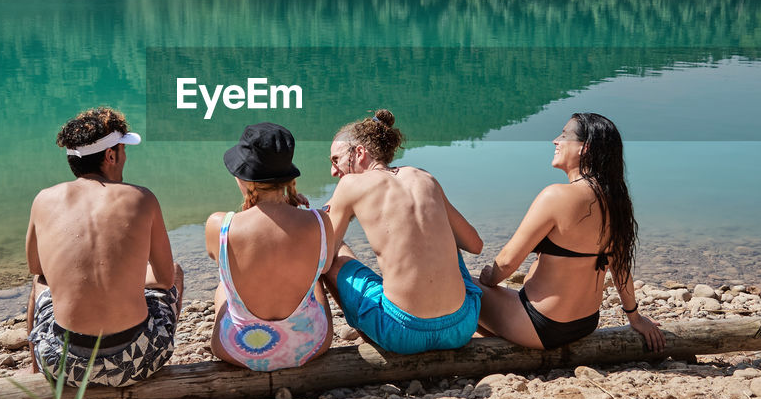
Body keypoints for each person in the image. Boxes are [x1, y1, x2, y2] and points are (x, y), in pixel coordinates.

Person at [477, 113, 664, 352]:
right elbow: (620, 267)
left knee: (461, 284)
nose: (555, 141)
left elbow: (506, 262)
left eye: (564, 136)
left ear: (584, 148)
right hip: (584, 324)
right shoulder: (615, 202)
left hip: (540, 324)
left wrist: (488, 279)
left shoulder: (556, 196)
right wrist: (634, 318)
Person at [26, 106, 183, 385]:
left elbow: (37, 267)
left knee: (40, 282)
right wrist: (125, 277)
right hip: (139, 360)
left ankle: (35, 372)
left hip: (65, 366)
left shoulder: (44, 199)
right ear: (110, 156)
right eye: (124, 150)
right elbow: (164, 278)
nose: (125, 157)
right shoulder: (141, 198)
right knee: (176, 271)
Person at [322, 109, 484, 354]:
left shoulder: (350, 185)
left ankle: (370, 335)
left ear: (359, 152)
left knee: (334, 253)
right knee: (446, 237)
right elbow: (475, 245)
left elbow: (322, 261)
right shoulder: (423, 177)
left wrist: (314, 219)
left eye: (335, 160)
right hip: (462, 326)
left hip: (402, 334)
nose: (334, 171)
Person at [206, 123, 337, 371]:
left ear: (242, 176)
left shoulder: (219, 225)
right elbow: (325, 267)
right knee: (315, 278)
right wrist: (297, 213)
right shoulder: (320, 222)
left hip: (238, 350)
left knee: (225, 283)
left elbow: (235, 255)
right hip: (309, 345)